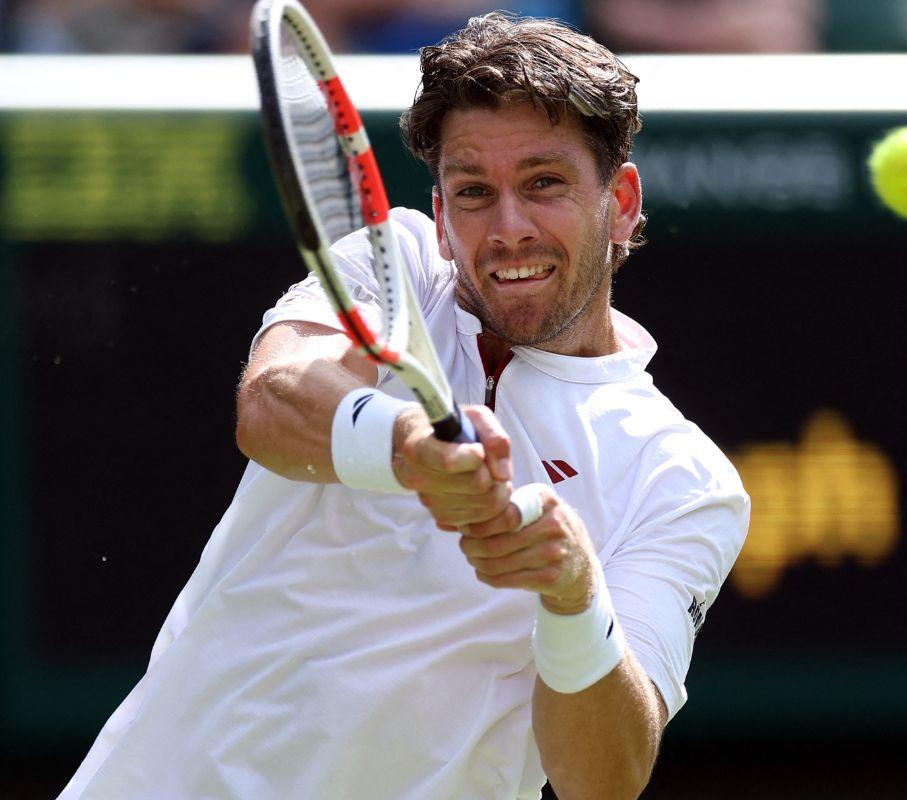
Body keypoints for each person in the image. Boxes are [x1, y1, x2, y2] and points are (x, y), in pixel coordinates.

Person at [59, 12, 748, 800]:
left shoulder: (684, 479)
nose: (509, 228)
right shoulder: (396, 266)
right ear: (443, 214)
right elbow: (272, 402)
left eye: (545, 183)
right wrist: (410, 448)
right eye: (474, 193)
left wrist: (573, 594)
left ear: (620, 202)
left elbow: (606, 778)